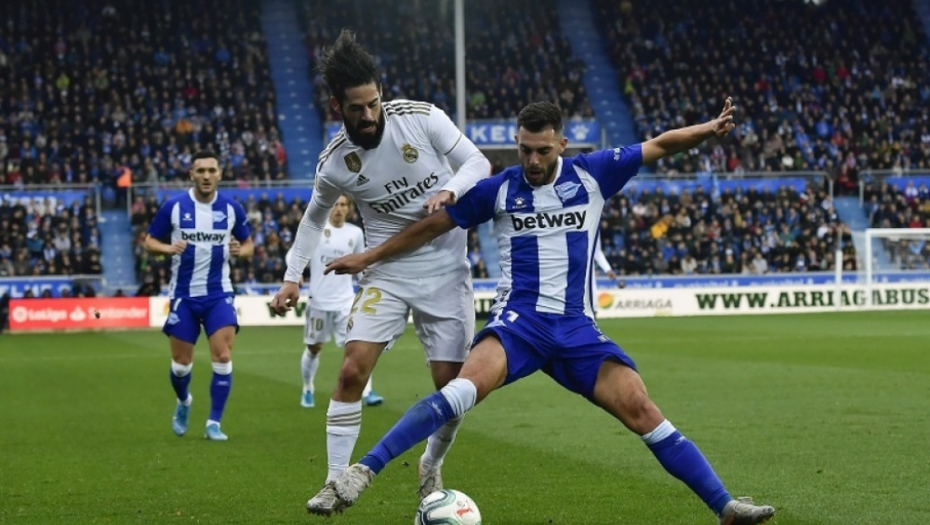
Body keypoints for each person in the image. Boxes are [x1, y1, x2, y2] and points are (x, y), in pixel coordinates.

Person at [317, 100, 776, 524]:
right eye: (524, 150)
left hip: (576, 330)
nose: (532, 161)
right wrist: (369, 257)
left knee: (640, 406)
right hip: (520, 324)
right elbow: (432, 226)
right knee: (461, 389)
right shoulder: (497, 189)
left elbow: (659, 144)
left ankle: (725, 507)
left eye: (541, 151)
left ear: (562, 144)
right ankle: (363, 471)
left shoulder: (594, 173)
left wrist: (709, 129)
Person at [269, 29, 492, 512]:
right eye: (358, 108)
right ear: (338, 107)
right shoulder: (335, 163)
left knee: (453, 388)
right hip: (387, 274)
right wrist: (292, 275)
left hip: (447, 271)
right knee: (351, 371)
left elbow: (477, 160)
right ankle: (334, 483)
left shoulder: (422, 119)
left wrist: (451, 190)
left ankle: (430, 464)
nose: (369, 115)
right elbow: (312, 219)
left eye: (374, 103)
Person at [144, 150, 254, 441]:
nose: (206, 176)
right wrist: (168, 249)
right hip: (184, 295)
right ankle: (184, 402)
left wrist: (241, 251)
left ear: (219, 174)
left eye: (211, 170)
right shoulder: (174, 207)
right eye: (201, 171)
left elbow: (249, 244)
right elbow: (149, 241)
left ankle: (213, 423)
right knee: (181, 367)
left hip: (219, 293)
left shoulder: (232, 209)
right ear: (191, 174)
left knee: (223, 356)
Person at [290, 195, 383, 409]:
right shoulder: (316, 231)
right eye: (335, 205)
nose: (339, 209)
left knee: (358, 347)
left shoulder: (355, 233)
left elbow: (361, 265)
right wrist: (295, 275)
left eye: (343, 205)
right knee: (314, 348)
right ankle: (307, 387)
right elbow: (293, 254)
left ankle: (367, 392)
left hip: (345, 303)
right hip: (319, 302)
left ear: (349, 209)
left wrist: (369, 288)